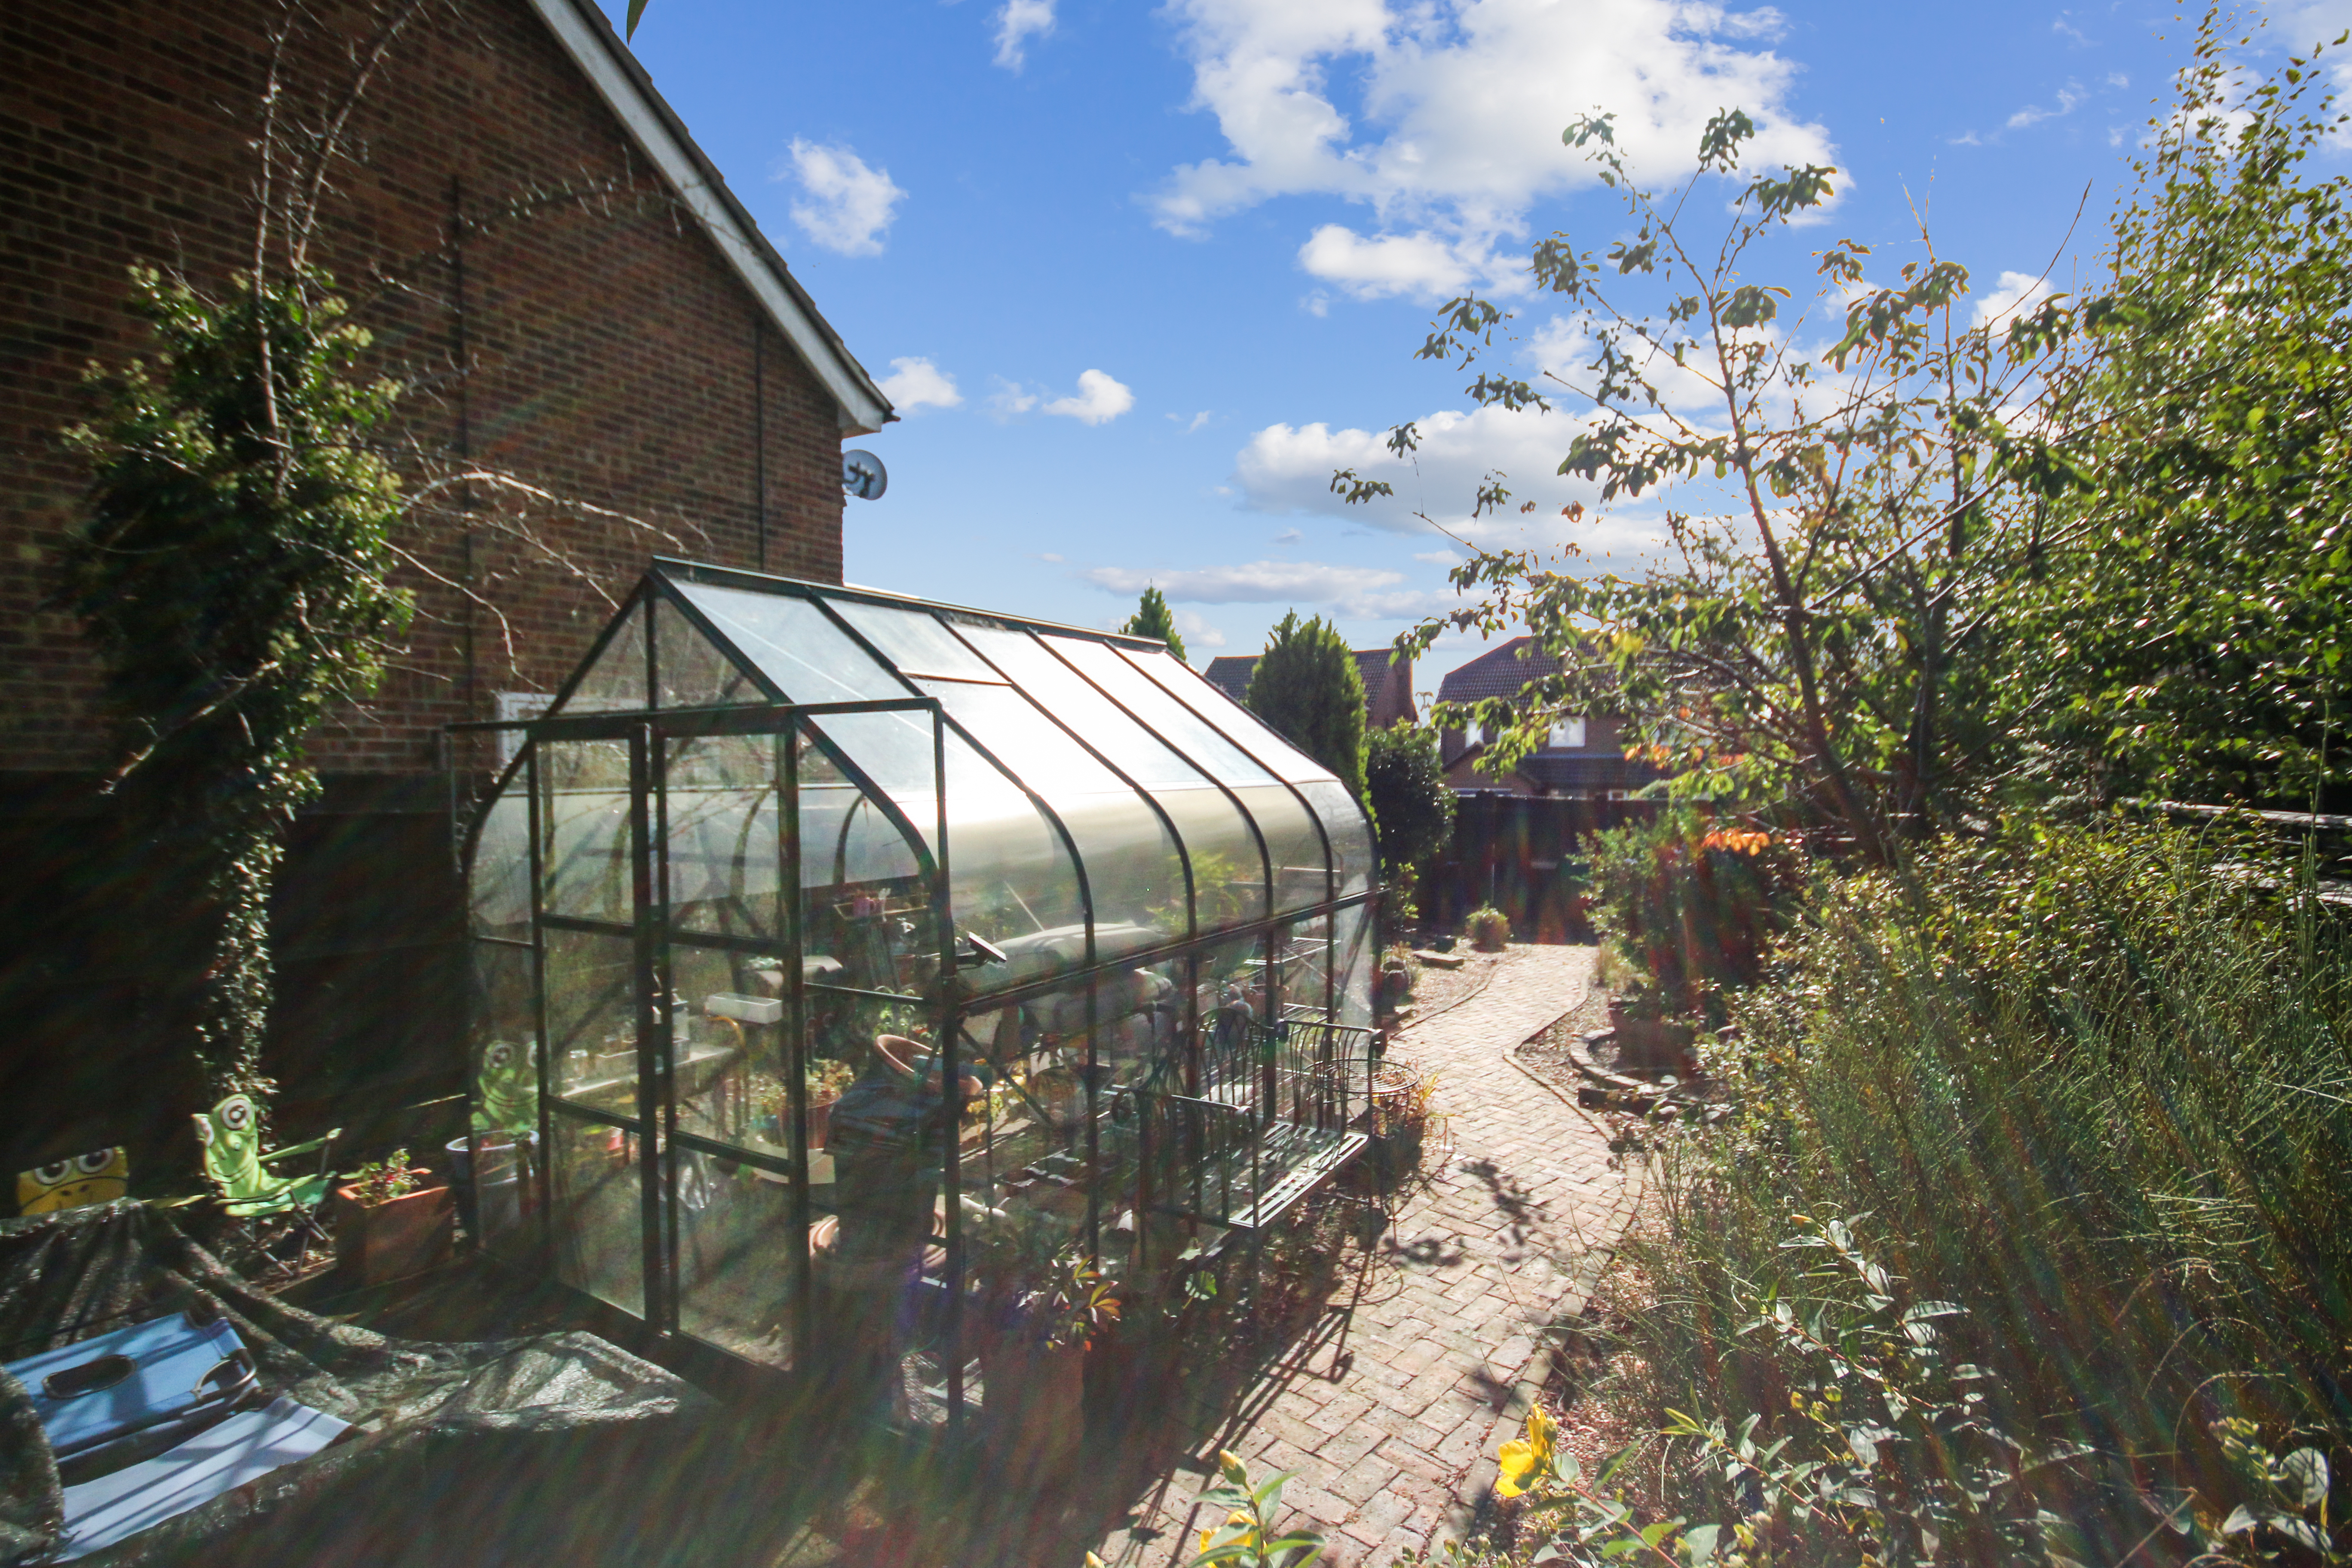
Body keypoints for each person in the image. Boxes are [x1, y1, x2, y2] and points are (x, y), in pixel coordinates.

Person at [821, 1031, 989, 1409]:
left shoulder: (893, 1110)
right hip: (877, 1222)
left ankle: (881, 1371)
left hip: (889, 1217)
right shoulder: (878, 1110)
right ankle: (873, 1379)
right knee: (880, 1281)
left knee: (890, 1280)